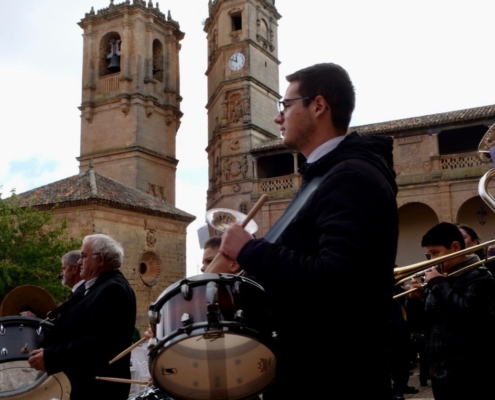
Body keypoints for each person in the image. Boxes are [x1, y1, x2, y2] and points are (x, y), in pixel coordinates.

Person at [217, 63, 399, 399]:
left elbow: (338, 280)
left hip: (332, 380)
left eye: (285, 106)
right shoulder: (326, 175)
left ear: (318, 106)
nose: (278, 117)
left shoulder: (349, 177)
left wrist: (251, 251)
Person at [28, 234, 137, 400]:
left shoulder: (113, 289)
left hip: (99, 390)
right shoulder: (96, 287)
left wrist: (52, 356)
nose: (79, 262)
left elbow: (98, 344)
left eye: (83, 256)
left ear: (99, 260)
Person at [406, 222, 495, 400]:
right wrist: (416, 301)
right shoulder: (438, 280)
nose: (432, 260)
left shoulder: (480, 276)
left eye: (435, 253)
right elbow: (422, 326)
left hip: (471, 373)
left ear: (455, 247)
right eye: (429, 254)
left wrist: (438, 285)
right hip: (440, 372)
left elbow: (467, 315)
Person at [20, 250, 83, 317]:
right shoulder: (80, 292)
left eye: (64, 268)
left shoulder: (82, 294)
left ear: (74, 269)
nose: (61, 274)